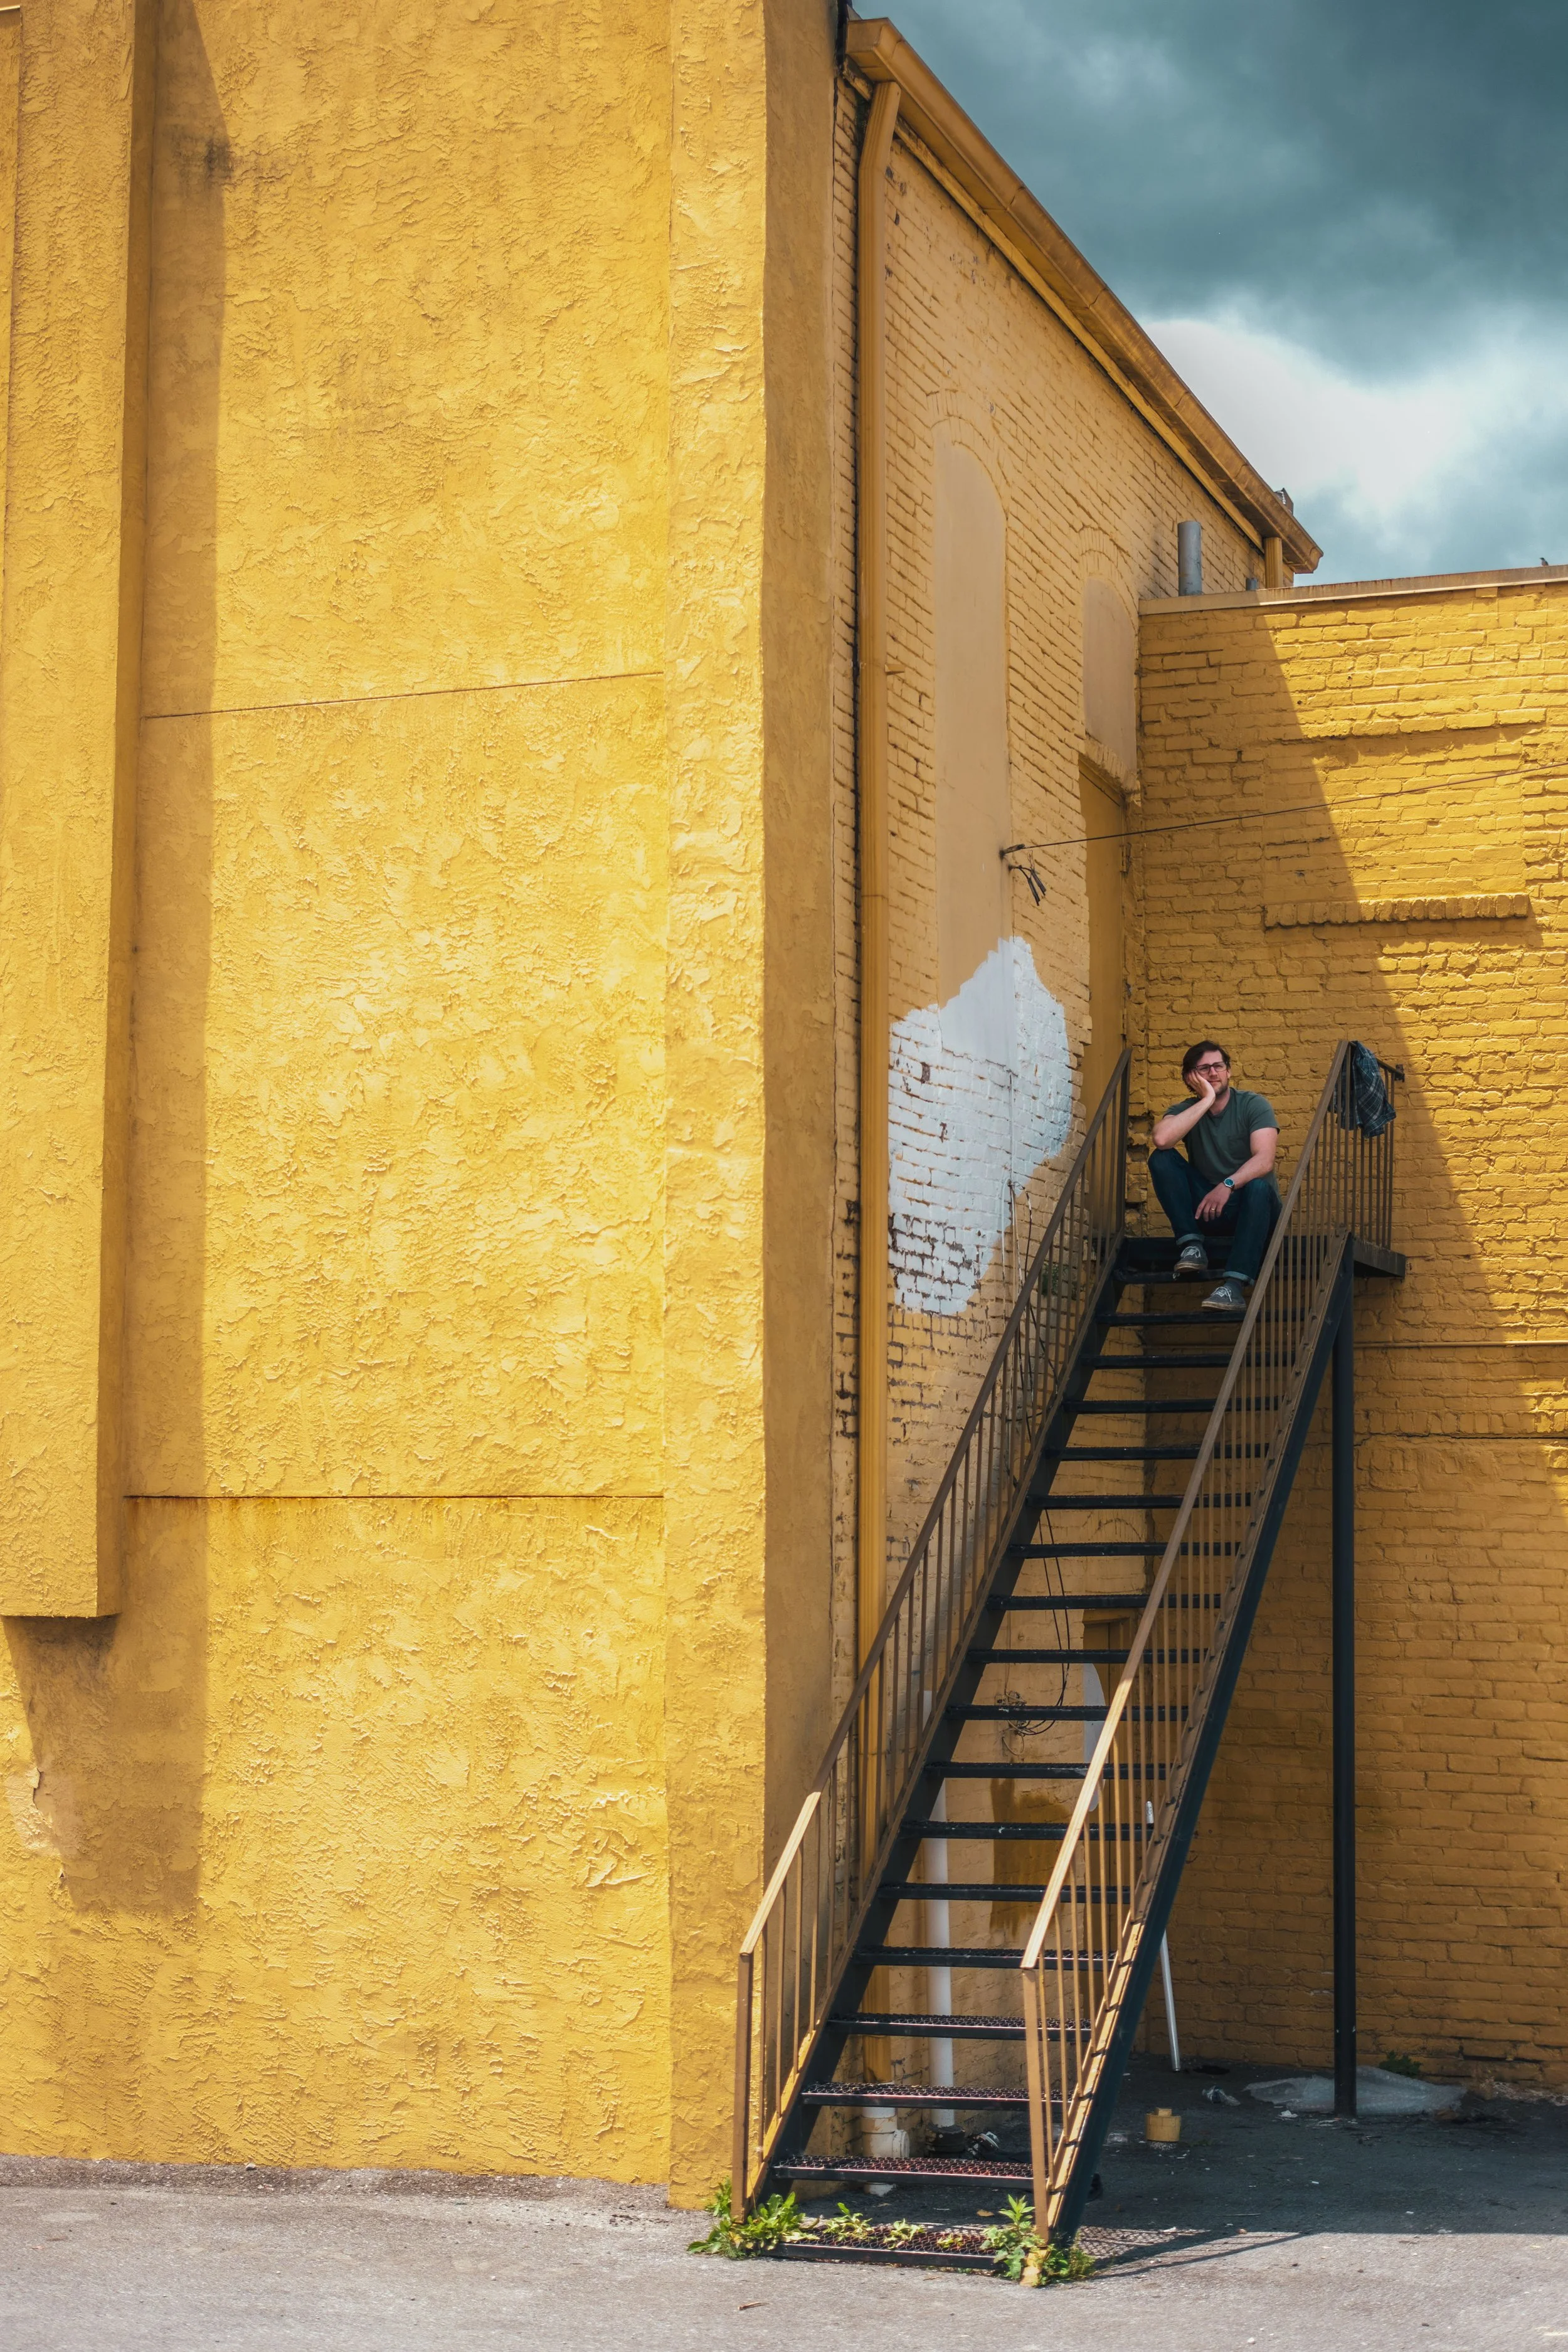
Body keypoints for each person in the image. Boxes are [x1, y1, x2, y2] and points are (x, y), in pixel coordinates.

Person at [1148, 1041, 1279, 1313]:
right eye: (1204, 1069)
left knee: (1257, 1186)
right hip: (1207, 1209)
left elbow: (1265, 1160)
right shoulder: (1186, 1109)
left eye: (1218, 1066)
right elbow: (1162, 1139)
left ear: (1229, 1071)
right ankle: (1192, 1246)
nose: (1213, 1073)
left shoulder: (1253, 1105)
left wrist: (1228, 1185)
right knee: (1161, 1158)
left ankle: (1233, 1286)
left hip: (1253, 1209)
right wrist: (1206, 1099)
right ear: (1191, 1078)